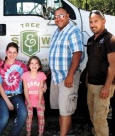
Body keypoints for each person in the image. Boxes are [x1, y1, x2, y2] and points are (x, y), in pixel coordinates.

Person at [48, 7, 84, 136]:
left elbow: (77, 54)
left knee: (66, 110)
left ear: (67, 16)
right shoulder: (57, 32)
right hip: (56, 77)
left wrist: (70, 75)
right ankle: (62, 132)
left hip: (66, 77)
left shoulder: (73, 31)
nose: (58, 19)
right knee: (61, 109)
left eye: (61, 16)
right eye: (56, 17)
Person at [0, 42, 28, 136]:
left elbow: (31, 77)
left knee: (23, 114)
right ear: (6, 52)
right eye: (10, 52)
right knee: (4, 118)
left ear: (17, 53)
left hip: (16, 96)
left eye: (14, 52)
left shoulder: (21, 66)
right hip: (2, 96)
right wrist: (8, 102)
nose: (12, 55)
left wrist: (43, 84)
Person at [86, 10, 115, 136]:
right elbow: (90, 61)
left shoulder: (110, 39)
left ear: (104, 21)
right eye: (91, 22)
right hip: (91, 85)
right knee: (93, 117)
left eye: (96, 21)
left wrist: (107, 86)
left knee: (100, 119)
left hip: (103, 87)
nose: (93, 24)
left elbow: (113, 65)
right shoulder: (90, 40)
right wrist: (87, 78)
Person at [21, 56, 47, 136]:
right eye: (32, 63)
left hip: (39, 99)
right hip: (29, 100)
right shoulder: (25, 75)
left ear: (39, 66)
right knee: (29, 117)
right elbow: (25, 89)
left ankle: (40, 133)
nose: (34, 65)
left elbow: (40, 89)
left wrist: (39, 103)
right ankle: (28, 132)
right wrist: (28, 103)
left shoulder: (41, 75)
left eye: (36, 63)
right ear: (29, 65)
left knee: (41, 117)